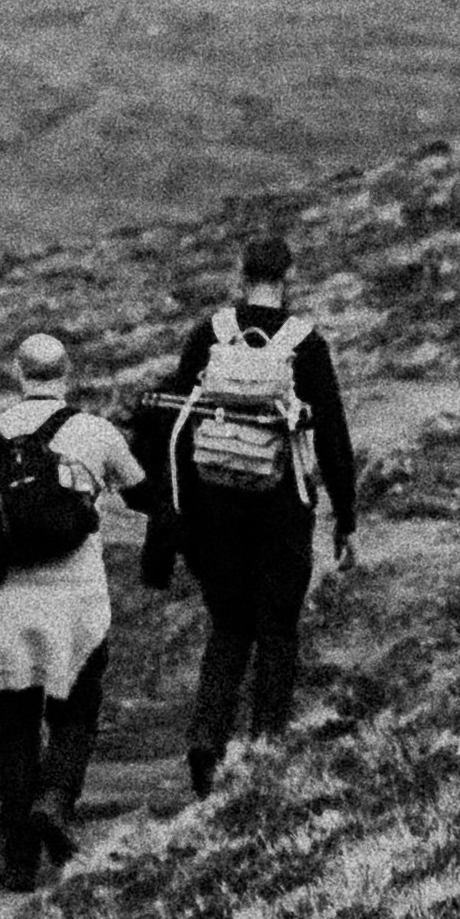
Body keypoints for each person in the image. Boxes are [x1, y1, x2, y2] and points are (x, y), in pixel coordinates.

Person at [143, 224, 363, 788]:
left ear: (241, 277)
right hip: (282, 507)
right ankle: (265, 752)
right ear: (288, 278)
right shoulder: (305, 343)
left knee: (228, 625)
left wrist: (176, 510)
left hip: (214, 507)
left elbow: (174, 422)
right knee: (278, 628)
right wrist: (345, 517)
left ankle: (206, 740)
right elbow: (333, 436)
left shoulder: (209, 333)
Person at [0, 321, 151, 886]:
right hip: (77, 602)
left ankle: (18, 864)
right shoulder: (96, 431)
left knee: (14, 729)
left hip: (5, 601)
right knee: (75, 714)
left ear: (18, 373)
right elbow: (143, 494)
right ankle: (55, 800)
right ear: (67, 374)